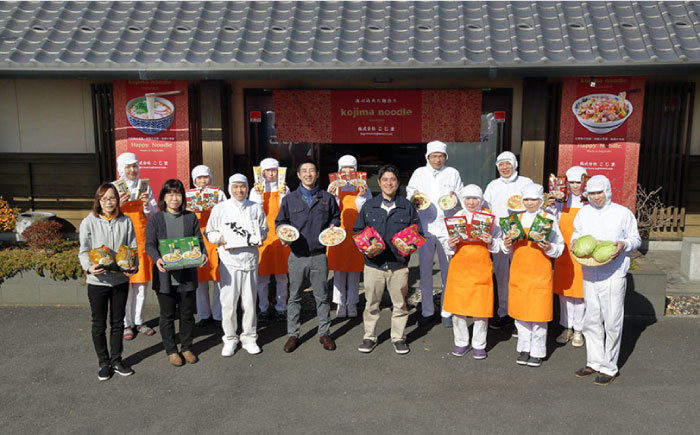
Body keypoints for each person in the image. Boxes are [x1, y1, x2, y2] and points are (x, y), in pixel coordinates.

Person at [571, 175, 640, 386]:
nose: (596, 197)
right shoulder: (584, 213)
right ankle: (594, 361)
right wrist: (574, 241)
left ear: (608, 191)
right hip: (590, 272)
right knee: (591, 318)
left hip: (614, 273)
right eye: (591, 193)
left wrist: (622, 244)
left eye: (599, 192)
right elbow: (577, 233)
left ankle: (609, 366)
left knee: (612, 320)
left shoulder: (622, 213)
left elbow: (635, 239)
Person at [354, 164, 424, 355]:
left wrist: (408, 246)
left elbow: (418, 233)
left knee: (400, 304)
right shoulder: (369, 205)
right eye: (384, 180)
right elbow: (358, 231)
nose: (388, 183)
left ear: (398, 183)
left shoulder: (406, 206)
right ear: (379, 182)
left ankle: (398, 337)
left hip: (398, 265)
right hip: (373, 265)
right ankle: (369, 336)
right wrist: (366, 247)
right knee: (371, 303)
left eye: (392, 179)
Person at [275, 159, 341, 353]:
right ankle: (293, 334)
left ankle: (324, 333)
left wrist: (333, 225)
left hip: (319, 255)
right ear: (298, 175)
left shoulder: (327, 198)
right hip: (297, 255)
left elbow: (335, 216)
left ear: (317, 173)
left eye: (312, 170)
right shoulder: (289, 199)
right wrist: (283, 234)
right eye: (304, 171)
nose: (308, 174)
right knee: (294, 297)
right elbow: (280, 221)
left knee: (321, 296)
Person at [145, 179, 208, 367]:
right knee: (167, 315)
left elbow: (199, 241)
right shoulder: (156, 218)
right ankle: (171, 350)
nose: (175, 198)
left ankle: (187, 347)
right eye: (170, 194)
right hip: (165, 275)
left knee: (188, 314)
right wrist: (157, 258)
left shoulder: (190, 217)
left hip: (186, 274)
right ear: (164, 197)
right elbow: (149, 243)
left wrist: (203, 254)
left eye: (178, 194)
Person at [78, 183, 138, 381]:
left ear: (118, 200)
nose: (108, 202)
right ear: (98, 200)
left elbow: (132, 247)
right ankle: (103, 363)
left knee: (118, 323)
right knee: (98, 324)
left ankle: (117, 359)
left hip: (120, 280)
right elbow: (83, 250)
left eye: (112, 198)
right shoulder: (89, 221)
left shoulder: (126, 221)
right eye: (104, 198)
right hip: (98, 281)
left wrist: (132, 266)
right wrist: (88, 267)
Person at [206, 174, 268, 356]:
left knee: (249, 302)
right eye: (235, 187)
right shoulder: (220, 208)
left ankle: (249, 337)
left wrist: (261, 236)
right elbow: (209, 232)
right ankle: (230, 338)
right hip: (228, 261)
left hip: (249, 259)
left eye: (242, 186)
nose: (239, 190)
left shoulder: (255, 207)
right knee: (228, 303)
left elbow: (263, 228)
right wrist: (221, 238)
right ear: (229, 188)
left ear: (247, 187)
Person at [502, 183, 563, 368]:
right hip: (519, 271)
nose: (529, 203)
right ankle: (524, 347)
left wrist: (549, 247)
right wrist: (506, 243)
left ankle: (537, 352)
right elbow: (507, 249)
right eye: (526, 199)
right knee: (521, 313)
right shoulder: (515, 219)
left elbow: (560, 247)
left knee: (538, 313)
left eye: (534, 199)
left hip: (540, 272)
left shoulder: (548, 218)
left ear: (540, 200)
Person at [439, 185, 501, 360]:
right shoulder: (456, 218)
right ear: (463, 200)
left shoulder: (489, 218)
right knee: (458, 309)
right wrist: (450, 244)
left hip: (481, 266)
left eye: (475, 198)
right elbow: (446, 244)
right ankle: (461, 342)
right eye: (467, 198)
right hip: (459, 267)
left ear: (480, 200)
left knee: (480, 309)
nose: (471, 202)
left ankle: (479, 344)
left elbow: (499, 242)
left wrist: (491, 241)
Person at [406, 140, 463, 328]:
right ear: (428, 157)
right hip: (425, 227)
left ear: (445, 157)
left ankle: (447, 310)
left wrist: (456, 197)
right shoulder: (419, 173)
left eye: (441, 156)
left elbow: (461, 195)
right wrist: (414, 195)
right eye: (434, 156)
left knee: (449, 271)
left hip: (446, 229)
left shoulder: (452, 172)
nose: (437, 159)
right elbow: (409, 195)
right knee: (425, 271)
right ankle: (427, 311)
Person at [483, 151, 533, 330]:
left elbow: (534, 203)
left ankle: (522, 313)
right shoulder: (493, 185)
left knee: (521, 274)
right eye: (501, 164)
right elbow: (485, 207)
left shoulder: (525, 182)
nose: (505, 167)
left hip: (521, 234)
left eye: (508, 164)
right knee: (502, 275)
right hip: (498, 233)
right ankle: (504, 312)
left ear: (514, 164)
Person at [115, 152, 158, 340]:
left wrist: (147, 205)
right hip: (122, 243)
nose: (132, 170)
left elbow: (154, 215)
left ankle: (139, 321)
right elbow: (105, 213)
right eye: (128, 167)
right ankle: (126, 324)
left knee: (141, 285)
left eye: (135, 166)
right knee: (126, 285)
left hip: (141, 241)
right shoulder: (113, 189)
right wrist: (118, 203)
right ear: (121, 169)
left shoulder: (145, 188)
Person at [546, 166, 588, 347]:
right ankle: (567, 327)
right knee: (564, 294)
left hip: (581, 253)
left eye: (579, 182)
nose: (575, 186)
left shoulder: (588, 203)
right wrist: (549, 206)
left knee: (580, 294)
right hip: (563, 252)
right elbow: (551, 222)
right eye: (572, 182)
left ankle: (579, 329)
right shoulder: (561, 201)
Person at [327, 155, 372, 318]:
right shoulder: (333, 185)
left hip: (356, 231)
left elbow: (367, 210)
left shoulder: (362, 186)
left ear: (356, 170)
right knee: (338, 270)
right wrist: (332, 197)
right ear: (339, 170)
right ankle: (339, 303)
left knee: (354, 270)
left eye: (351, 168)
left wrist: (361, 195)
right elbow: (329, 210)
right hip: (339, 231)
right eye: (344, 168)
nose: (347, 172)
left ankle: (352, 303)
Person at [249, 157, 290, 322]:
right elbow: (253, 213)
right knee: (262, 277)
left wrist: (282, 195)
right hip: (262, 236)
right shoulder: (254, 191)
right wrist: (258, 196)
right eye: (267, 171)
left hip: (280, 235)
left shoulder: (285, 189)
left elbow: (286, 210)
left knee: (282, 276)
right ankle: (263, 308)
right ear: (261, 172)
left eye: (274, 170)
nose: (271, 174)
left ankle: (282, 307)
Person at [189, 165, 226, 327]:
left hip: (216, 238)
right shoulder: (188, 195)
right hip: (197, 238)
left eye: (206, 177)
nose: (203, 180)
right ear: (194, 180)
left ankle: (219, 315)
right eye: (199, 178)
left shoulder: (219, 193)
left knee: (218, 279)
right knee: (200, 279)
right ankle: (204, 314)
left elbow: (227, 212)